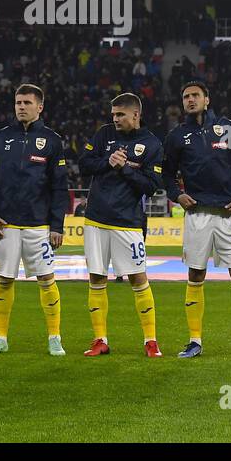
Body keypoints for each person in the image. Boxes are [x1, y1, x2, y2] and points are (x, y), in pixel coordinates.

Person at [161, 81, 231, 359]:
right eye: (186, 97)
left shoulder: (227, 129)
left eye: (195, 95)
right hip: (196, 215)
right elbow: (166, 172)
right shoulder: (178, 136)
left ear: (207, 99)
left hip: (228, 215)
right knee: (195, 275)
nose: (190, 100)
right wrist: (176, 195)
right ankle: (194, 340)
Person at [0, 84, 69, 356]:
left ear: (39, 107)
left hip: (39, 225)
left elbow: (59, 187)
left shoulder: (52, 141)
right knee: (4, 280)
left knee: (47, 279)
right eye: (18, 102)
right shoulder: (1, 138)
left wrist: (57, 225)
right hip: (5, 225)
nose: (21, 107)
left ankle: (54, 337)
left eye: (27, 103)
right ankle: (0, 338)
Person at [76, 93, 164, 357]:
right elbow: (84, 164)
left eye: (120, 114)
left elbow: (152, 185)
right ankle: (100, 340)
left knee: (138, 279)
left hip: (128, 222)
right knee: (96, 278)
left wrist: (124, 168)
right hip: (96, 219)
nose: (114, 119)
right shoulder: (103, 135)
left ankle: (150, 341)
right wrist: (108, 162)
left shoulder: (151, 144)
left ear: (135, 115)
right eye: (113, 114)